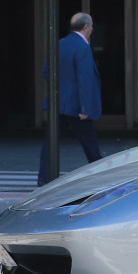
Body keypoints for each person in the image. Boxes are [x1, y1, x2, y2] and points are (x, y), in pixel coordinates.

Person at [38, 12, 102, 187]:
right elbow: (84, 79)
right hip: (77, 106)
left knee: (50, 142)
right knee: (90, 143)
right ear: (86, 27)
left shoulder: (60, 43)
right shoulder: (82, 47)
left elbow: (46, 72)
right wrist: (85, 108)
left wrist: (62, 88)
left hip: (59, 104)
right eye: (92, 26)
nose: (92, 29)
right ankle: (102, 177)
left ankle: (44, 178)